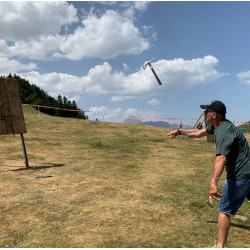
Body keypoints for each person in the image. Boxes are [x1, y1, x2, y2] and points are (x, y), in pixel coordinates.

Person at [167, 100, 250, 248]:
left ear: (214, 114)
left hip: (240, 176)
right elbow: (198, 132)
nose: (205, 114)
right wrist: (179, 132)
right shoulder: (218, 126)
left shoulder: (224, 131)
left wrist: (213, 184)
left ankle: (221, 246)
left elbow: (221, 158)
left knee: (224, 209)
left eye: (207, 111)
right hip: (248, 172)